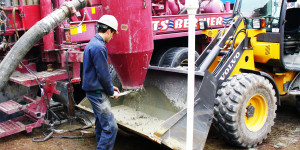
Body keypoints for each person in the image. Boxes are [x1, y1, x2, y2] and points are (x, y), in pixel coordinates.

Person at [82, 15, 120, 150]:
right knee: (111, 128)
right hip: (98, 94)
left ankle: (100, 145)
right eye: (113, 33)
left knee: (100, 123)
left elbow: (96, 73)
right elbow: (103, 74)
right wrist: (110, 91)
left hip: (93, 91)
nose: (112, 37)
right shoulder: (99, 47)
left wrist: (111, 87)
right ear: (108, 31)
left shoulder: (91, 44)